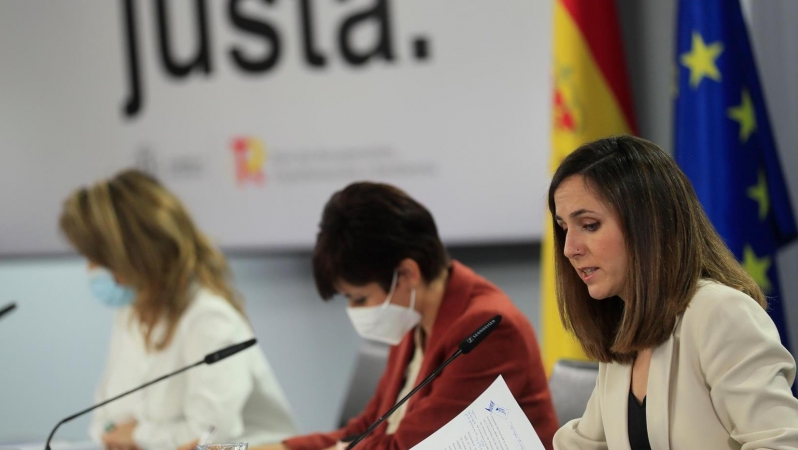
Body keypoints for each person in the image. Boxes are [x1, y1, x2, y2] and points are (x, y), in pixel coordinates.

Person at [256, 181, 558, 450]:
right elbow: (367, 429)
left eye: (360, 298)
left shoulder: (486, 331)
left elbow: (408, 447)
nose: (354, 312)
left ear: (407, 274)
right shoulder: (415, 318)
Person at [549, 135, 798, 449]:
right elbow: (585, 444)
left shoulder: (720, 313)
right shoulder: (626, 326)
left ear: (647, 226)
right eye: (563, 228)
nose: (570, 249)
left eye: (589, 225)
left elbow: (781, 443)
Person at [59, 169, 298, 450]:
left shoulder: (209, 318)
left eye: (98, 259)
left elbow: (208, 438)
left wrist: (138, 435)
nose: (90, 270)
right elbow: (105, 422)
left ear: (137, 255)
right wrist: (127, 433)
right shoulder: (131, 312)